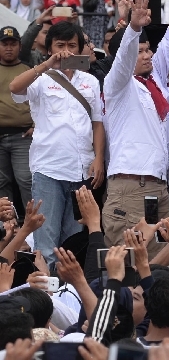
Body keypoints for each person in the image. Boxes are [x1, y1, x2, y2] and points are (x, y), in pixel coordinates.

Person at [9, 21, 104, 268]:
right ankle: (46, 299)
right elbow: (14, 87)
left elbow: (97, 123)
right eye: (60, 45)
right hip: (48, 170)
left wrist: (98, 159)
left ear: (81, 48)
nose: (66, 51)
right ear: (49, 48)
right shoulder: (40, 78)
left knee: (72, 242)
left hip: (81, 171)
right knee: (45, 240)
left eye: (72, 45)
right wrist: (47, 65)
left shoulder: (90, 81)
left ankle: (67, 296)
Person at [101, 0, 169, 255]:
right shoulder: (118, 85)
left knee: (157, 268)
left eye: (148, 50)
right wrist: (133, 27)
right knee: (127, 266)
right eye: (140, 51)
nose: (147, 55)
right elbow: (123, 60)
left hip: (158, 185)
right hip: (131, 186)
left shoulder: (151, 86)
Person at [0, 26, 34, 210]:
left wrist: (36, 125)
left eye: (13, 44)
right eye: (4, 43)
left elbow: (42, 101)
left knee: (27, 180)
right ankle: (7, 228)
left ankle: (35, 227)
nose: (9, 47)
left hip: (23, 136)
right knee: (1, 184)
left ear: (20, 46)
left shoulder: (28, 70)